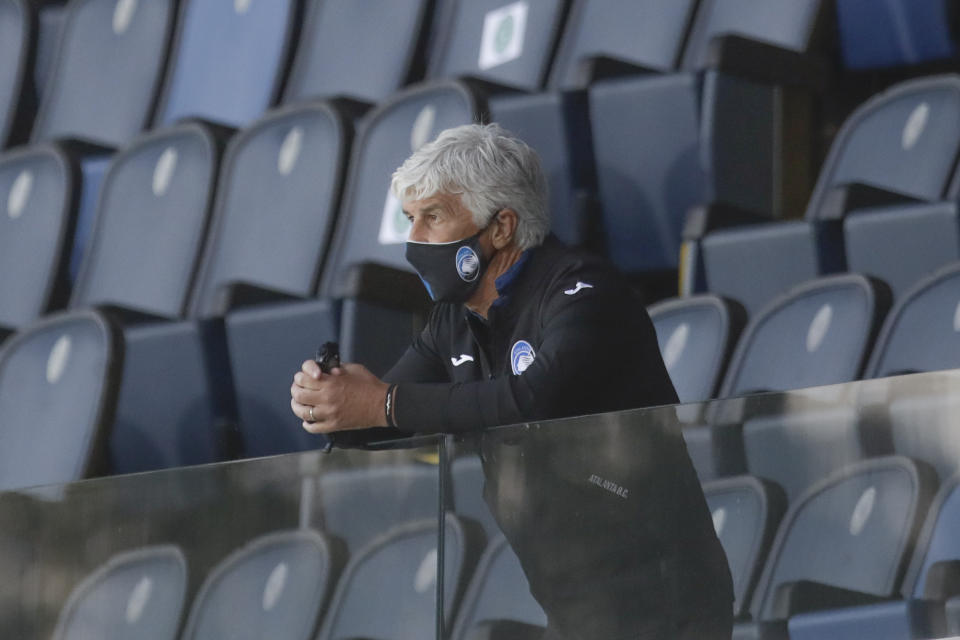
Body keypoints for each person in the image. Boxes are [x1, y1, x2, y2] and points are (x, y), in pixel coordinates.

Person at [290, 123, 733, 639]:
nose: (414, 241)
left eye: (432, 217)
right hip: (572, 605)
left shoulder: (583, 293)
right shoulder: (454, 320)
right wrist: (329, 405)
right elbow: (385, 415)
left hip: (664, 597)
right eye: (410, 220)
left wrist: (380, 404)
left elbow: (532, 402)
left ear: (501, 227)